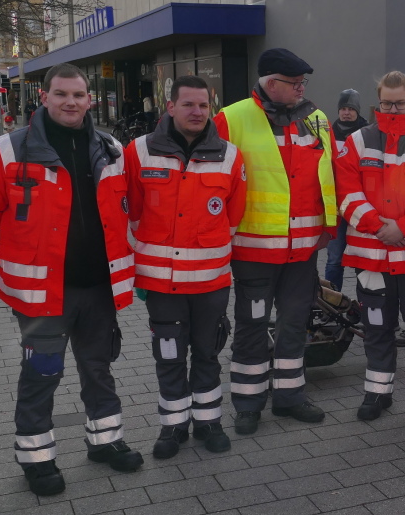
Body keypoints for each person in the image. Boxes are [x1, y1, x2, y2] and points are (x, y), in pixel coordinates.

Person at [0, 62, 141, 497]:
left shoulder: (110, 148)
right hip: (42, 292)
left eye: (79, 95)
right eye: (61, 94)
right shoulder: (8, 150)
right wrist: (22, 247)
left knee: (98, 367)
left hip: (99, 287)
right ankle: (36, 458)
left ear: (89, 100)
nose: (71, 102)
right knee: (41, 373)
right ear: (43, 97)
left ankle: (106, 441)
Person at [214, 48, 336, 435]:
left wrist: (329, 230)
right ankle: (248, 403)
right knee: (251, 325)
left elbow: (329, 174)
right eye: (294, 84)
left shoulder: (316, 119)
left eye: (303, 84)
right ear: (270, 83)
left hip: (302, 250)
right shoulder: (231, 119)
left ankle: (290, 397)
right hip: (253, 250)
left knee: (295, 323)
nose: (301, 90)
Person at [126, 75, 246, 459]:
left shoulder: (229, 155)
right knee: (169, 353)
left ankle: (210, 421)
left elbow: (233, 216)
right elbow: (131, 214)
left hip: (211, 282)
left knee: (208, 351)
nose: (197, 112)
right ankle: (173, 426)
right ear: (170, 107)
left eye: (203, 105)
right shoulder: (139, 152)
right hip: (161, 283)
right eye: (189, 104)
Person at [335, 71, 405, 424]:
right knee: (376, 330)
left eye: (400, 103)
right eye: (387, 103)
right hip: (372, 259)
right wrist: (379, 227)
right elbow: (346, 194)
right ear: (378, 102)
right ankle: (377, 393)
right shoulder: (356, 142)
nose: (394, 109)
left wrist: (402, 227)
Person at [325, 88, 367, 291]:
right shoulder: (328, 135)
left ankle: (367, 303)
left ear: (358, 111)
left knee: (364, 258)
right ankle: (332, 303)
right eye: (343, 108)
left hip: (362, 207)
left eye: (351, 108)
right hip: (336, 208)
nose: (346, 112)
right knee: (334, 259)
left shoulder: (368, 135)